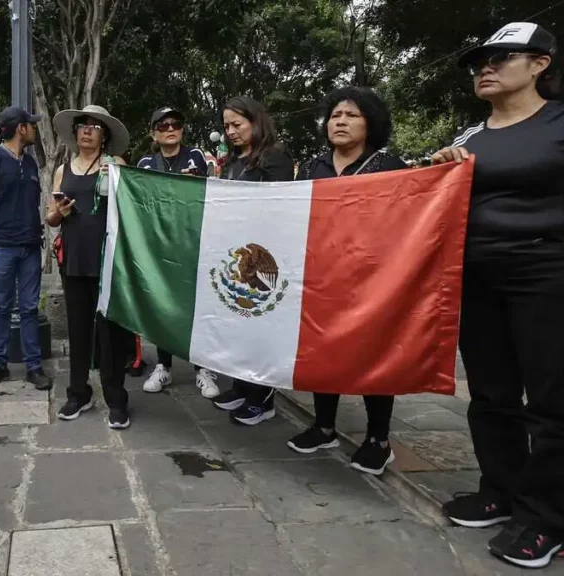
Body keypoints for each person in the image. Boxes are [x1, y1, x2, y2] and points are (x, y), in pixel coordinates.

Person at [429, 23, 564, 569]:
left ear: (541, 63)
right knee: (491, 394)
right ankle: (500, 491)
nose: (485, 67)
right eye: (480, 60)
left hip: (548, 274)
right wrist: (437, 173)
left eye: (500, 57)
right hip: (477, 278)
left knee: (553, 404)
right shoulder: (468, 139)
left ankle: (550, 521)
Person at [285, 86, 408, 475]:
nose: (340, 121)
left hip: (372, 281)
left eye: (351, 115)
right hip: (321, 278)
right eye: (335, 115)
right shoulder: (313, 167)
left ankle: (379, 440)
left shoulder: (390, 167)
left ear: (371, 123)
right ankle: (324, 427)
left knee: (373, 355)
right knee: (324, 352)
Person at [45, 104, 133, 428]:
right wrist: (60, 213)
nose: (87, 130)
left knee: (109, 332)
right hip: (74, 257)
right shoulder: (62, 169)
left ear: (104, 134)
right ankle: (78, 392)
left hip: (107, 259)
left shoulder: (117, 166)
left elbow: (130, 211)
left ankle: (117, 398)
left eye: (95, 126)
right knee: (78, 329)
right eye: (83, 124)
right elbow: (51, 217)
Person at [211, 96, 295, 426]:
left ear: (255, 122)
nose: (230, 131)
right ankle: (241, 387)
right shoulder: (233, 162)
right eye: (226, 126)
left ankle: (263, 398)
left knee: (261, 329)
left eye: (237, 125)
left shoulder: (275, 156)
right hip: (234, 256)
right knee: (238, 326)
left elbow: (279, 203)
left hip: (264, 255)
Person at [136, 106, 220, 399]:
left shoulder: (197, 156)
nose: (170, 129)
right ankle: (163, 366)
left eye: (176, 123)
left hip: (194, 242)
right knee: (163, 306)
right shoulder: (146, 163)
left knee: (198, 306)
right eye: (163, 125)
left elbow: (213, 190)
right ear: (153, 132)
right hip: (160, 246)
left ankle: (203, 368)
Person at [0, 107, 53, 391]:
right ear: (20, 128)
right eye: (31, 125)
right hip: (3, 247)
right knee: (3, 307)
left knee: (30, 307)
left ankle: (34, 366)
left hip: (30, 247)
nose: (34, 129)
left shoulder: (30, 165)